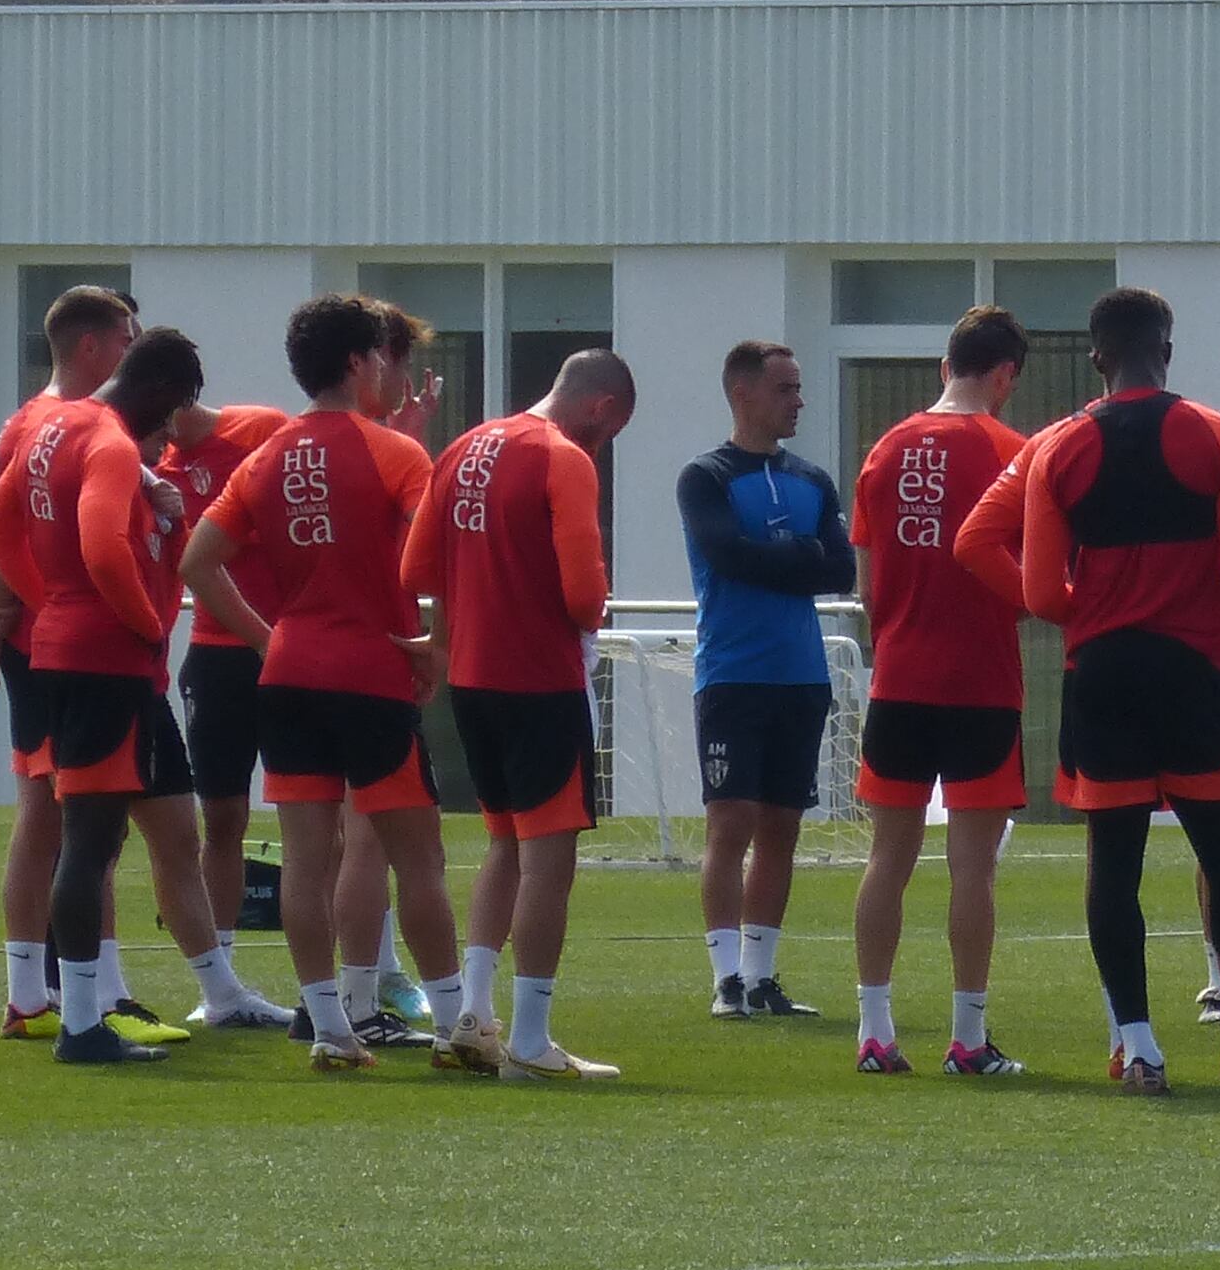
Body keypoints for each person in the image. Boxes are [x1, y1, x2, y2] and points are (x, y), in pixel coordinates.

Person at [954, 285, 1220, 1091]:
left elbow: (1041, 593)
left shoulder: (1059, 445)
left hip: (1103, 674)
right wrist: (1218, 604)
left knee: (1115, 867)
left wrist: (1096, 614)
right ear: (1168, 351)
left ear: (1096, 357)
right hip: (1193, 670)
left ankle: (1140, 1052)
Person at [184, 295, 467, 1073]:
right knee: (417, 856)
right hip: (370, 673)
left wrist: (269, 639)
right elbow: (437, 558)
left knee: (309, 858)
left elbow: (196, 563)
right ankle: (455, 1026)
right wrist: (435, 645)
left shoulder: (264, 455)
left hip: (290, 677)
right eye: (381, 355)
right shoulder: (395, 455)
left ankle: (331, 1029)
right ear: (358, 362)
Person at [0, 327, 230, 1064]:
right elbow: (101, 545)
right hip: (104, 660)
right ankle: (85, 1024)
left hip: (58, 649)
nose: (169, 428)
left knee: (82, 837)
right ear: (164, 392)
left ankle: (76, 1011)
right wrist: (145, 624)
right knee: (91, 843)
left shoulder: (54, 423)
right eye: (175, 408)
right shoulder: (113, 443)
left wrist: (48, 600)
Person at [403, 348, 637, 1085]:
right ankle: (530, 1042)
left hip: (471, 679)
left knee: (504, 848)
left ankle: (472, 1019)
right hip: (537, 677)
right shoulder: (562, 457)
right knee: (548, 859)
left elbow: (415, 570)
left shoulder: (466, 445)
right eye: (611, 430)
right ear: (601, 408)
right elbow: (583, 597)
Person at [848, 308, 1032, 1075]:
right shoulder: (1012, 451)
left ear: (943, 367)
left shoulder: (885, 449)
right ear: (1005, 375)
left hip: (899, 679)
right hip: (981, 682)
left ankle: (875, 1030)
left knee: (887, 859)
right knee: (972, 868)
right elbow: (1029, 580)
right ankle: (966, 1035)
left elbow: (865, 587)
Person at [0, 282, 130, 1036]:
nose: (131, 351)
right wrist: (5, 637)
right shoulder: (44, 425)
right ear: (91, 345)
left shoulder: (41, 421)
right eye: (125, 338)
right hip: (71, 644)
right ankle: (45, 990)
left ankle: (62, 987)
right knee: (69, 816)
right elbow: (6, 540)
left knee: (84, 819)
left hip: (48, 640)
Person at [676, 338, 850, 1023]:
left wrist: (785, 556)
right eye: (785, 389)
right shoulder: (705, 475)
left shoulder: (812, 479)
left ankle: (760, 975)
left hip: (800, 675)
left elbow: (841, 572)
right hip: (733, 673)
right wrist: (798, 554)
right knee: (731, 824)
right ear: (743, 392)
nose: (799, 401)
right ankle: (724, 979)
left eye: (799, 388)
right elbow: (727, 556)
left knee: (782, 827)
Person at [160, 382, 299, 1030]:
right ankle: (222, 983)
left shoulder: (261, 429)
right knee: (221, 817)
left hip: (288, 646)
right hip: (217, 657)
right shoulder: (156, 466)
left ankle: (350, 980)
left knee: (318, 817)